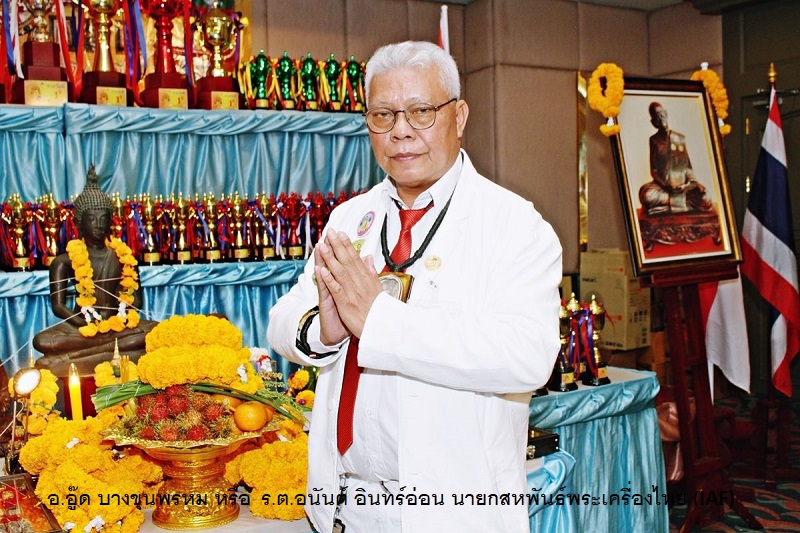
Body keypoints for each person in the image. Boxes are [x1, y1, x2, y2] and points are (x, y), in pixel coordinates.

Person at [267, 41, 562, 532]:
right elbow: (282, 320)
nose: (401, 131)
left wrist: (378, 322)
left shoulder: (514, 225)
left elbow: (528, 357)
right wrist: (326, 329)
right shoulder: (350, 217)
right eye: (383, 115)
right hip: (344, 507)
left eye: (421, 111)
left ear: (459, 116)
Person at [34, 167, 156, 377]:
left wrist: (120, 317)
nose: (99, 225)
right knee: (43, 340)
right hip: (81, 327)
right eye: (92, 219)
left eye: (104, 218)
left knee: (155, 330)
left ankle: (84, 356)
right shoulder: (64, 261)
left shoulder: (124, 257)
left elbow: (136, 301)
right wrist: (82, 322)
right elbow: (58, 306)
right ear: (79, 223)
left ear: (111, 222)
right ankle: (111, 352)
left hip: (118, 327)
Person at [639, 102, 713, 215]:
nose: (661, 119)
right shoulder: (654, 140)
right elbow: (654, 170)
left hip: (683, 188)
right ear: (653, 122)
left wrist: (691, 183)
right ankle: (684, 205)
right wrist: (667, 185)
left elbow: (688, 168)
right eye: (657, 117)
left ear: (666, 114)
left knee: (705, 197)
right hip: (664, 188)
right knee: (646, 195)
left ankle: (666, 208)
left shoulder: (680, 138)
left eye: (661, 115)